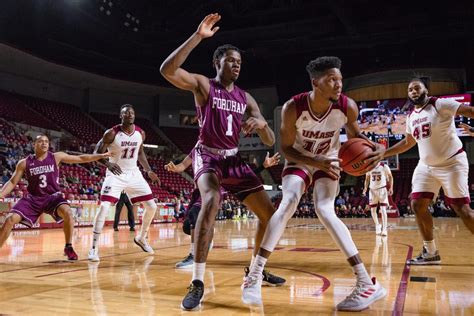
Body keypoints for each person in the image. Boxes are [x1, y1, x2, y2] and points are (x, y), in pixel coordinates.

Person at [242, 56, 387, 311]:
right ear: (315, 82)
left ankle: (366, 282)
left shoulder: (347, 106)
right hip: (300, 160)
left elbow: (356, 137)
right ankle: (254, 276)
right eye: (331, 79)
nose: (338, 84)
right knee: (287, 202)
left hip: (329, 160)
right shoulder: (293, 108)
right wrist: (313, 162)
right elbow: (286, 149)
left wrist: (377, 147)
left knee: (325, 209)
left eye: (340, 79)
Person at [160, 13, 284, 311]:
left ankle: (254, 270)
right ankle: (198, 281)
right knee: (212, 200)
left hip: (234, 160)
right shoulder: (204, 86)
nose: (237, 65)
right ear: (217, 63)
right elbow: (167, 70)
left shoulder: (246, 97)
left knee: (271, 215)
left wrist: (262, 123)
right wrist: (198, 37)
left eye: (239, 61)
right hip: (208, 155)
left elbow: (269, 141)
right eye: (231, 60)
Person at [383, 77, 474, 265]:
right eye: (410, 89)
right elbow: (408, 143)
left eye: (417, 88)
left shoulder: (440, 104)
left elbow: (470, 111)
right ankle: (430, 252)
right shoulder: (410, 116)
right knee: (417, 205)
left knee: (463, 210)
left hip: (452, 163)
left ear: (426, 89)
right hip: (426, 166)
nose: (413, 91)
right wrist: (383, 153)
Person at [0, 135, 110, 260]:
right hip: (33, 199)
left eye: (46, 141)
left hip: (53, 197)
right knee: (9, 219)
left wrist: (100, 156)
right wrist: (1, 194)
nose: (44, 143)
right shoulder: (24, 163)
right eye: (40, 141)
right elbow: (13, 182)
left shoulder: (56, 157)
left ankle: (68, 247)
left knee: (68, 212)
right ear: (34, 145)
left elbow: (80, 158)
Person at [166, 151, 281, 269]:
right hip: (198, 191)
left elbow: (243, 174)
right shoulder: (198, 148)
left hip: (215, 188)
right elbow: (183, 166)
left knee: (195, 215)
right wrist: (175, 168)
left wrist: (263, 167)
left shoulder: (225, 150)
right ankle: (207, 235)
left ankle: (193, 256)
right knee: (187, 226)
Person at [88, 104, 160, 262]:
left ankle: (141, 237)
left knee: (152, 206)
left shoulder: (140, 133)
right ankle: (93, 248)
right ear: (121, 116)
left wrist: (148, 170)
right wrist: (107, 163)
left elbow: (140, 153)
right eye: (126, 113)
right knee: (104, 207)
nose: (129, 115)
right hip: (116, 174)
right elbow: (96, 153)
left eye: (132, 113)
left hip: (134, 174)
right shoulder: (111, 133)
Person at [363, 161, 393, 236]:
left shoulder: (384, 166)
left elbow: (390, 177)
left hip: (382, 189)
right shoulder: (369, 167)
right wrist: (365, 188)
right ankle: (377, 225)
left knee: (383, 210)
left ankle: (384, 229)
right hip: (372, 190)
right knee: (373, 210)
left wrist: (391, 188)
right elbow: (367, 179)